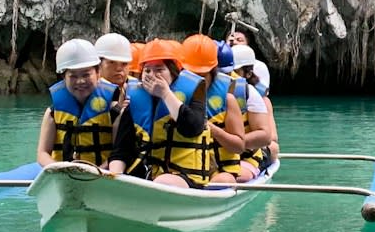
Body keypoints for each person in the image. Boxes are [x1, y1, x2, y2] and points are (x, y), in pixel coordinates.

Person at [109, 39, 224, 187]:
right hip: (147, 176)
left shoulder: (194, 91)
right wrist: (114, 176)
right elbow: (121, 149)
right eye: (147, 70)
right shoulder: (136, 100)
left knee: (164, 181)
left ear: (173, 72)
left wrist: (165, 94)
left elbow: (193, 129)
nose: (152, 75)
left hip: (184, 176)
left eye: (159, 69)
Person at [179, 33, 249, 182]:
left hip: (219, 171)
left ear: (212, 72)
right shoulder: (175, 96)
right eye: (192, 75)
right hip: (184, 171)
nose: (197, 81)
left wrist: (211, 128)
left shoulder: (228, 99)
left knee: (223, 180)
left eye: (202, 75)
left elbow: (239, 146)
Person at [37, 38, 114, 168]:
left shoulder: (114, 111)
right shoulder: (52, 113)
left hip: (102, 175)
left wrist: (98, 173)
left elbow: (120, 152)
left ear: (98, 73)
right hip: (65, 176)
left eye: (86, 75)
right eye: (73, 76)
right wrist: (61, 170)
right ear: (64, 77)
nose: (80, 81)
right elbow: (42, 153)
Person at [229, 44, 278, 173]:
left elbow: (271, 138)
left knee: (272, 147)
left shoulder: (262, 100)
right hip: (226, 149)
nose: (229, 75)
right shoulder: (218, 92)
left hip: (249, 150)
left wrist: (233, 143)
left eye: (234, 71)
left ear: (248, 73)